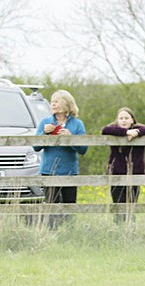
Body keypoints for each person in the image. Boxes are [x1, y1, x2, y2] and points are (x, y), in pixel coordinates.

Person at [34, 89, 87, 227]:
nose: (53, 104)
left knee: (69, 206)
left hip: (69, 172)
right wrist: (44, 134)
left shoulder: (77, 124)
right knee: (52, 207)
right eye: (52, 102)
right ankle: (52, 234)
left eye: (56, 101)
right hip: (49, 171)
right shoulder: (45, 122)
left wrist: (70, 138)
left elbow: (83, 149)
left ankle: (69, 233)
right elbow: (35, 147)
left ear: (66, 104)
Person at [101, 107, 145, 221]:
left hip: (135, 172)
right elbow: (105, 130)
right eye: (121, 118)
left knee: (131, 203)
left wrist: (137, 132)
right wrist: (126, 132)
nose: (123, 120)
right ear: (117, 120)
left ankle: (130, 227)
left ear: (132, 120)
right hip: (116, 173)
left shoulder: (139, 129)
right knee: (118, 203)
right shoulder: (113, 129)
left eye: (126, 118)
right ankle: (118, 227)